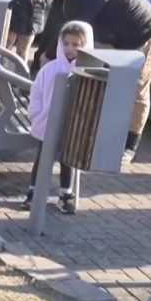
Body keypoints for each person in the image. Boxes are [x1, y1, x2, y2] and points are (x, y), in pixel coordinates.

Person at [42, 0, 151, 163]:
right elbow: (61, 25)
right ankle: (93, 133)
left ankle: (129, 145)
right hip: (119, 38)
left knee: (137, 90)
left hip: (145, 35)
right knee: (99, 81)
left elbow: (75, 27)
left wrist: (49, 55)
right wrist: (47, 53)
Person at [22, 21, 94, 214]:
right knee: (42, 158)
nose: (70, 49)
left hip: (73, 127)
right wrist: (36, 113)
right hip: (47, 122)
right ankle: (34, 191)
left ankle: (65, 193)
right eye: (66, 43)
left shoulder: (87, 72)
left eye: (76, 45)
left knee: (67, 160)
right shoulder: (50, 69)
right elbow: (36, 92)